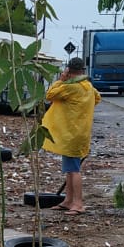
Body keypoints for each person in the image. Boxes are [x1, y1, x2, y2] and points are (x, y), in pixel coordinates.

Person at [41, 56, 101, 215]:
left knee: (74, 170)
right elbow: (97, 98)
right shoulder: (88, 86)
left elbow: (50, 94)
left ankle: (78, 203)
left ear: (69, 70)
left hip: (71, 134)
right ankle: (68, 201)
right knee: (69, 169)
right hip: (79, 133)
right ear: (83, 70)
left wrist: (61, 79)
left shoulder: (71, 87)